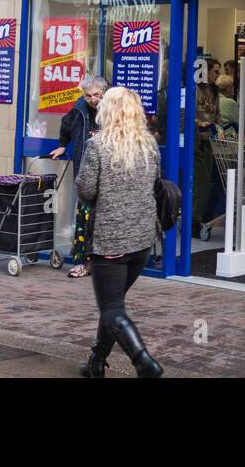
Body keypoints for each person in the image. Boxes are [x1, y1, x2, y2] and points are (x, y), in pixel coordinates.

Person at [75, 86, 164, 379]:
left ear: (107, 111)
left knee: (112, 308)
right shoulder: (148, 144)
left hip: (111, 240)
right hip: (142, 240)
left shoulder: (98, 145)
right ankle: (96, 362)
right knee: (114, 306)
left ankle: (144, 363)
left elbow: (86, 191)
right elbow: (154, 185)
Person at [50, 75, 108, 278]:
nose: (93, 99)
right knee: (83, 217)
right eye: (88, 96)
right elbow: (66, 126)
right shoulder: (79, 110)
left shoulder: (112, 109)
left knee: (102, 220)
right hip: (85, 172)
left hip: (107, 175)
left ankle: (101, 263)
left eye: (96, 95)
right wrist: (62, 144)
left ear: (104, 92)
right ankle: (81, 261)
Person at [192, 59, 221, 234]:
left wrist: (220, 127)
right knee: (200, 182)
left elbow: (217, 114)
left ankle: (199, 216)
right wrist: (198, 123)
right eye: (215, 71)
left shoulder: (214, 91)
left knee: (205, 181)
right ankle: (194, 220)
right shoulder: (194, 90)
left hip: (209, 139)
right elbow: (185, 113)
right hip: (195, 140)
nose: (218, 75)